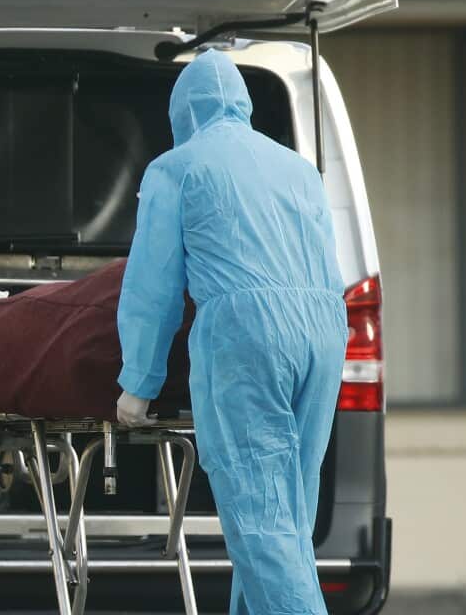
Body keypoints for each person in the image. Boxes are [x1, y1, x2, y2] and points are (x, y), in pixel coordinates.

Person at [115, 49, 347, 614]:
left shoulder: (178, 167)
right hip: (324, 332)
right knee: (288, 515)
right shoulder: (298, 168)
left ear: (182, 113)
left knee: (262, 521)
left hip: (248, 335)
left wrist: (138, 382)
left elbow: (154, 284)